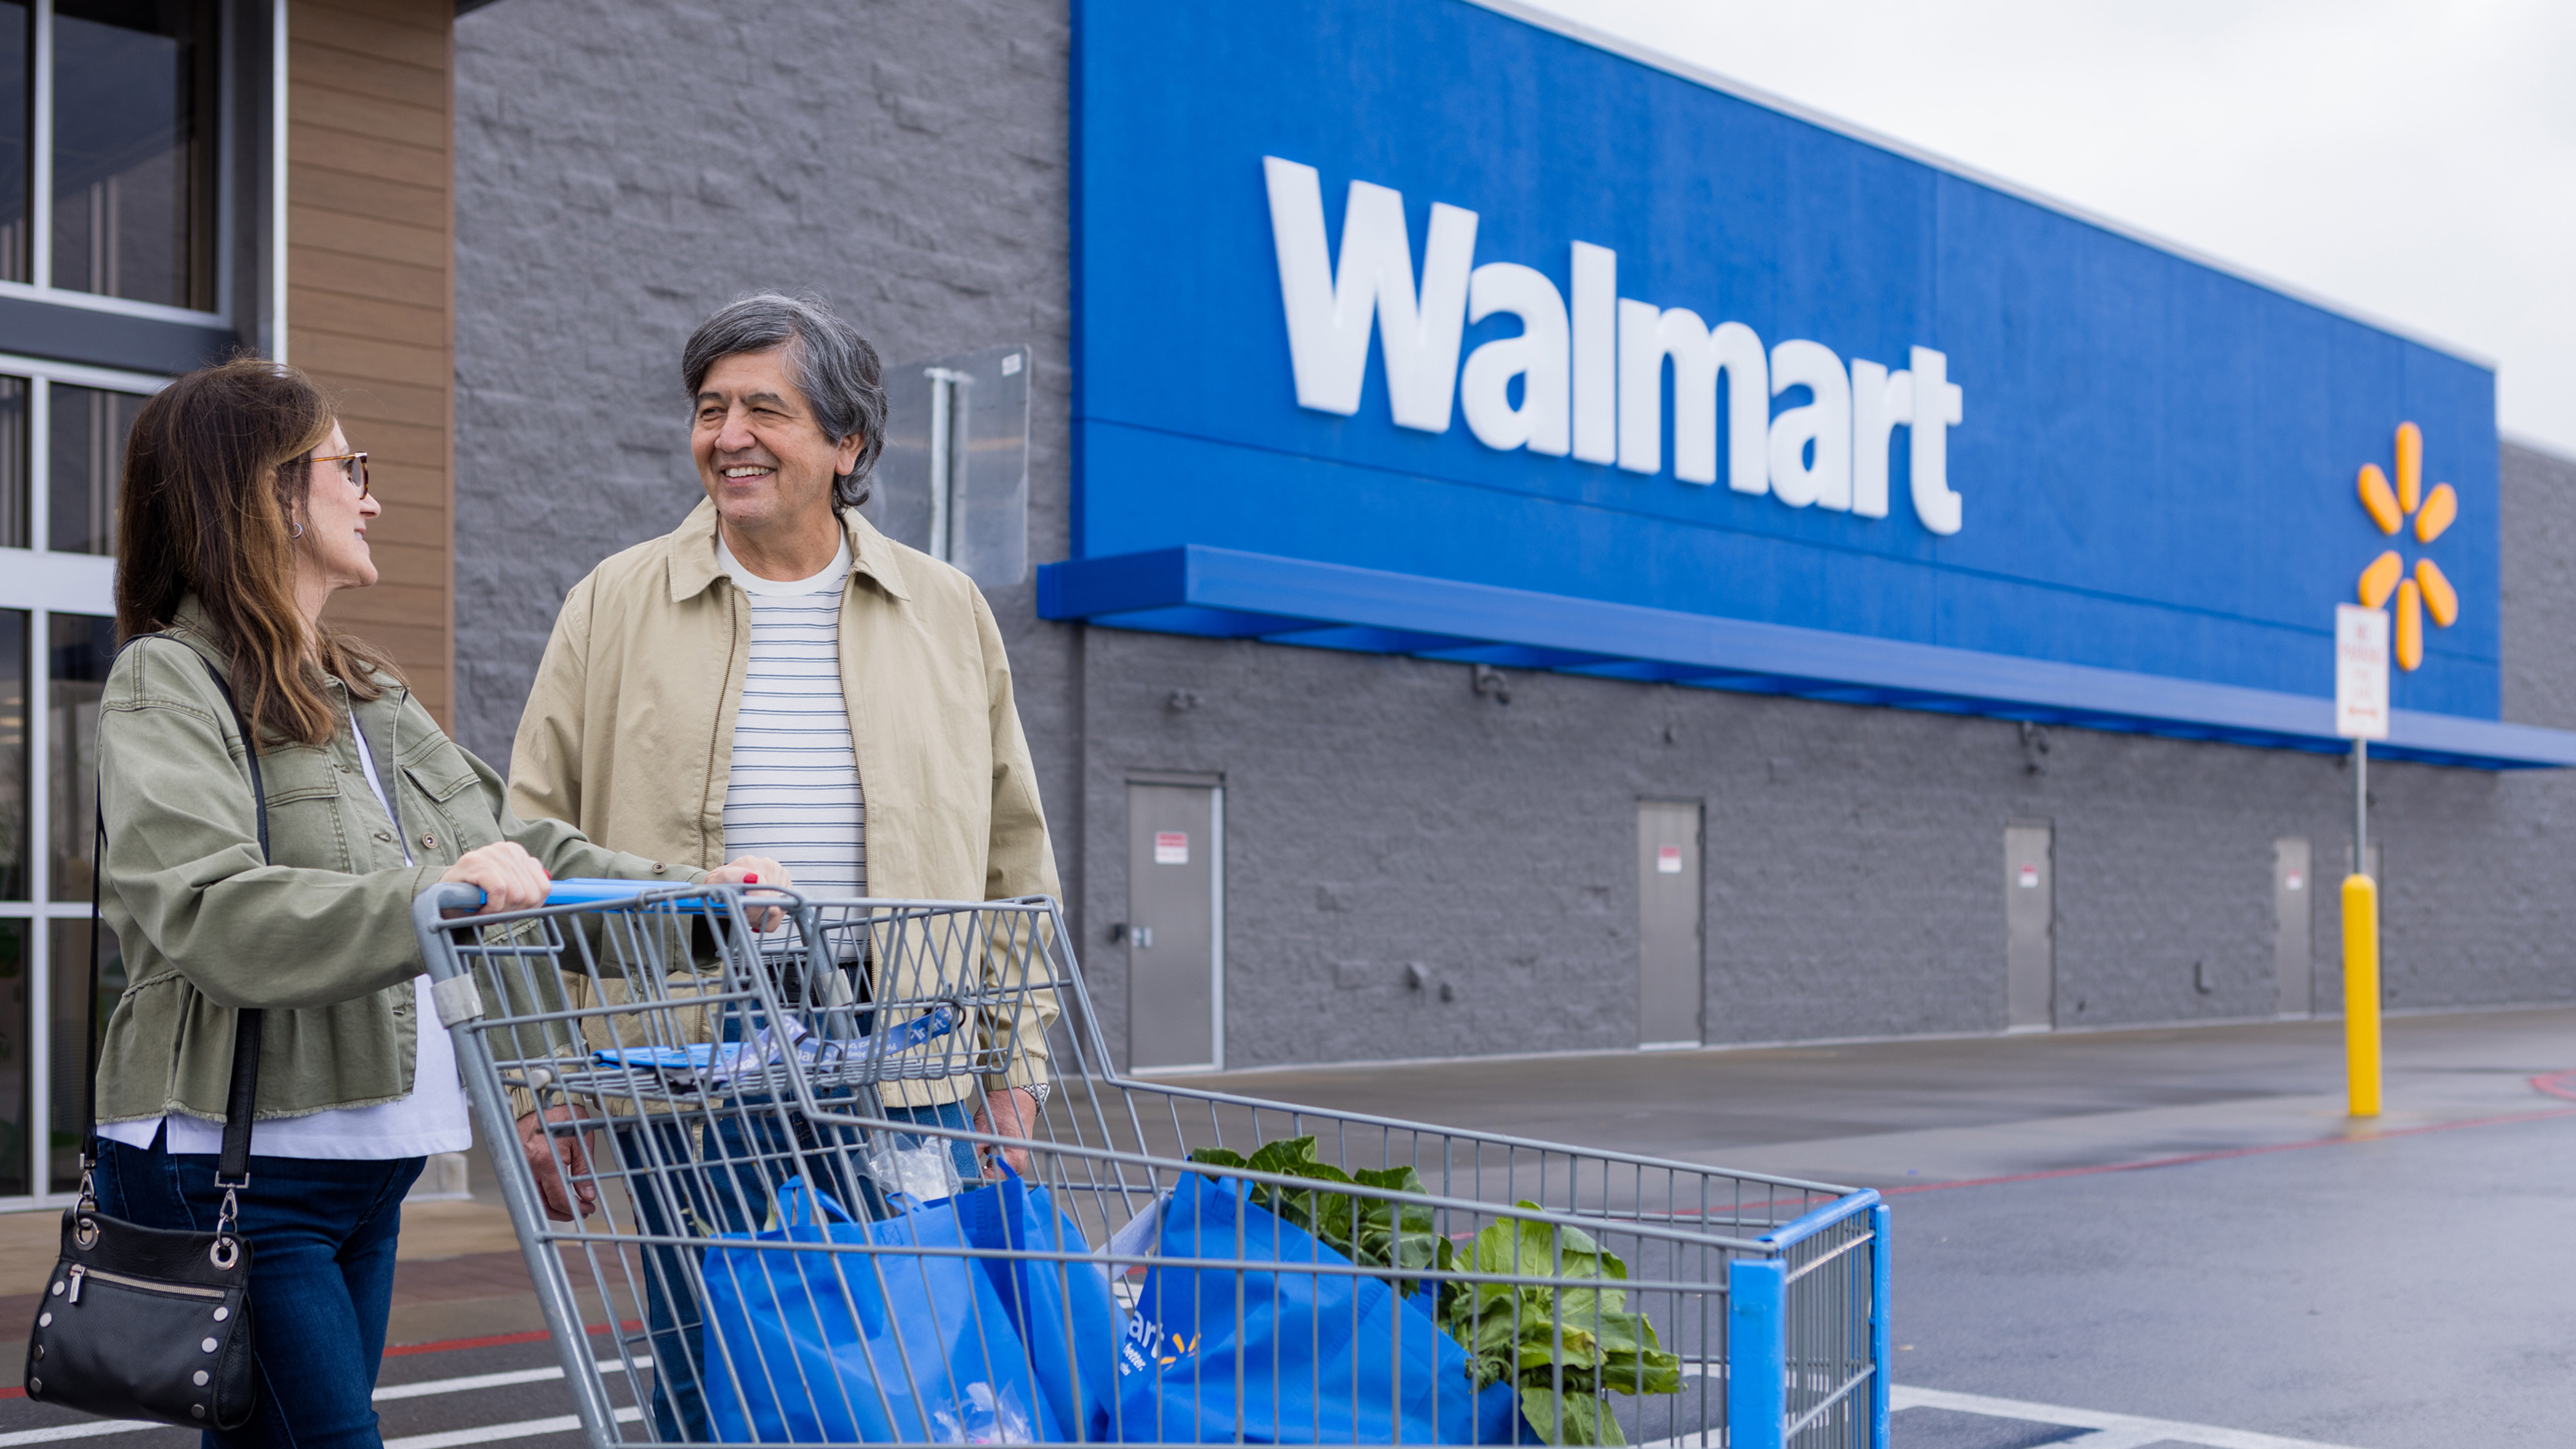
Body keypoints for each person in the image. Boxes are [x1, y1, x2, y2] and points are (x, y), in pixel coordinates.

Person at [88, 356, 781, 1449]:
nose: (370, 498)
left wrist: (698, 904)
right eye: (346, 468)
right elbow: (211, 911)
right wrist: (438, 892)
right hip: (238, 1161)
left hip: (367, 1158)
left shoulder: (363, 687)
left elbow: (519, 850)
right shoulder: (169, 680)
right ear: (268, 493)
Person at [507, 292, 1063, 1439]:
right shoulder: (611, 605)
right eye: (710, 409)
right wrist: (540, 1085)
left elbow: (1014, 861)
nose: (729, 436)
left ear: (847, 443)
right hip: (689, 1060)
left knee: (917, 1379)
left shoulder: (949, 613)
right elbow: (528, 856)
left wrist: (1014, 1067)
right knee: (708, 1375)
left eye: (765, 409)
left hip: (904, 1052)